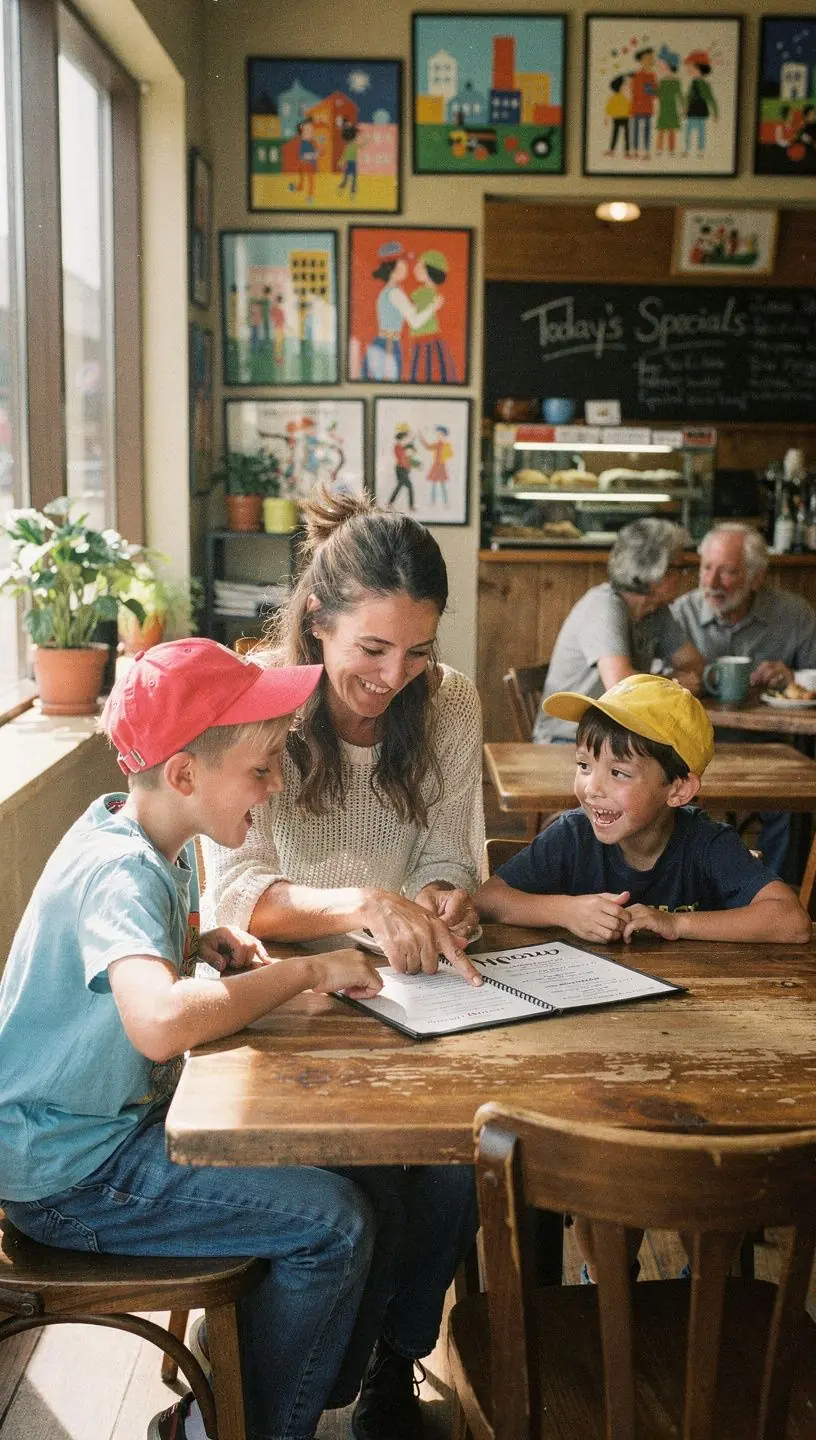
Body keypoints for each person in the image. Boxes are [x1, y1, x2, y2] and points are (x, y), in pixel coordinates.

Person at [0, 640, 389, 1440]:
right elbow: (160, 1022)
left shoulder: (148, 841)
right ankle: (225, 1430)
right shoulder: (122, 870)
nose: (276, 785)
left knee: (365, 1174)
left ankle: (246, 1377)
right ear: (184, 775)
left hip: (102, 1138)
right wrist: (301, 976)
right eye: (262, 768)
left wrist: (200, 942)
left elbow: (130, 976)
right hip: (71, 1176)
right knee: (334, 1224)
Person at [203, 486, 485, 1430]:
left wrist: (444, 898)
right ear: (317, 624)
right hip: (287, 1008)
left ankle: (390, 1370)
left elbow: (448, 855)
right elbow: (236, 892)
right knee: (366, 1181)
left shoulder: (446, 704)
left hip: (411, 1000)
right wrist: (363, 905)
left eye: (417, 651)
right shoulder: (253, 703)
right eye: (372, 649)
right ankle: (317, 1376)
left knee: (457, 1167)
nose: (395, 674)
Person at [476, 674, 811, 1280]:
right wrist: (566, 910)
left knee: (708, 1182)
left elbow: (789, 922)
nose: (590, 788)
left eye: (619, 774)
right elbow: (491, 900)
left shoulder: (707, 844)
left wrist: (676, 925)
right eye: (584, 764)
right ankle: (608, 1284)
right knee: (604, 1181)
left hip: (699, 1059)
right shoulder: (572, 838)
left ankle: (704, 1288)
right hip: (590, 1060)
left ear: (680, 787)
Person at [672, 522, 816, 877]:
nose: (712, 582)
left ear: (756, 576)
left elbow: (814, 675)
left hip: (772, 750)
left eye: (727, 571)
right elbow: (651, 685)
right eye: (706, 567)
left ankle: (778, 895)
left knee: (792, 801)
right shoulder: (679, 614)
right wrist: (680, 681)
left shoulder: (793, 615)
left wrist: (793, 677)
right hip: (691, 750)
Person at [533, 518, 703, 744]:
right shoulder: (604, 605)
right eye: (678, 568)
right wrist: (674, 685)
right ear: (654, 572)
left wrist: (678, 681)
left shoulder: (656, 610)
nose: (684, 576)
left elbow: (693, 663)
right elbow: (621, 684)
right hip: (568, 740)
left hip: (613, 738)